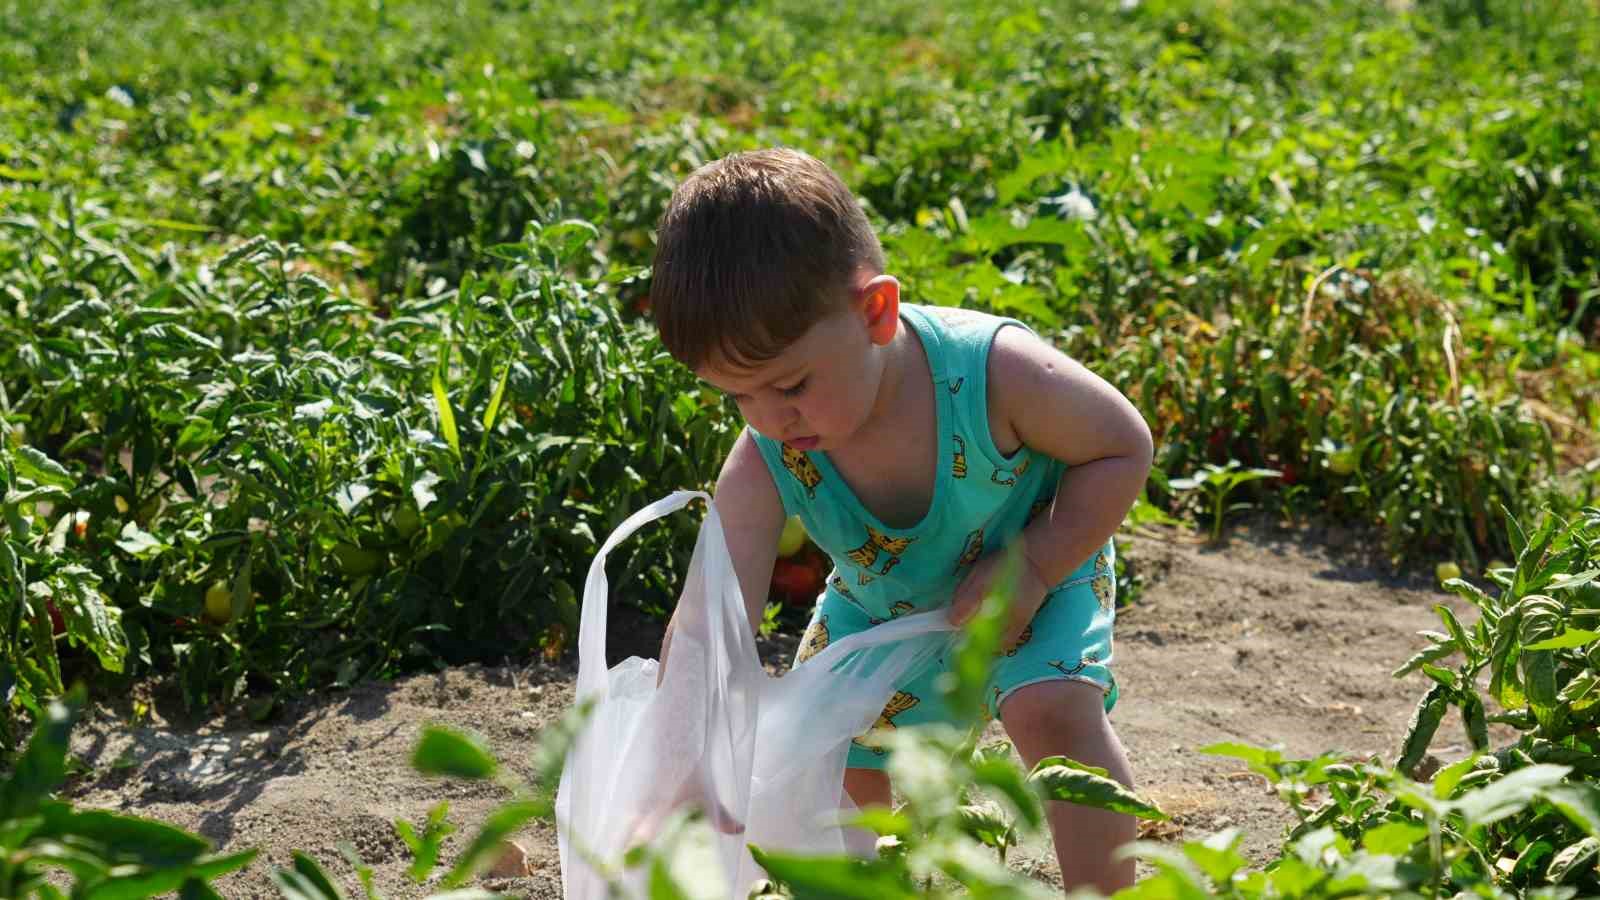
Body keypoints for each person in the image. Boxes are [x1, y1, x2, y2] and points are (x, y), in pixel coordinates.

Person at [649, 147, 1152, 894]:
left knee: (1052, 714)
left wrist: (1038, 563)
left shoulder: (994, 375)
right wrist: (678, 766)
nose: (770, 419)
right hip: (879, 600)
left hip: (1038, 568)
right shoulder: (765, 457)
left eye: (790, 385)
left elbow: (1122, 445)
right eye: (738, 396)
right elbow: (708, 623)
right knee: (833, 748)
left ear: (875, 313)